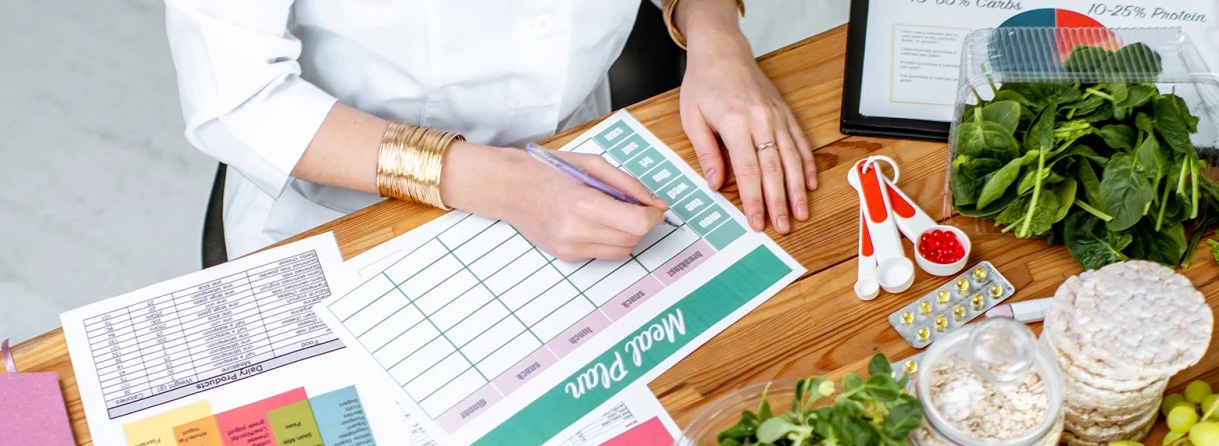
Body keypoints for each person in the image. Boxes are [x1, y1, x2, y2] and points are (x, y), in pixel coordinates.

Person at [166, 0, 817, 263]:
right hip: (351, 211)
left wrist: (714, 34)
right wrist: (498, 182)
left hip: (577, 153)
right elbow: (237, 98)